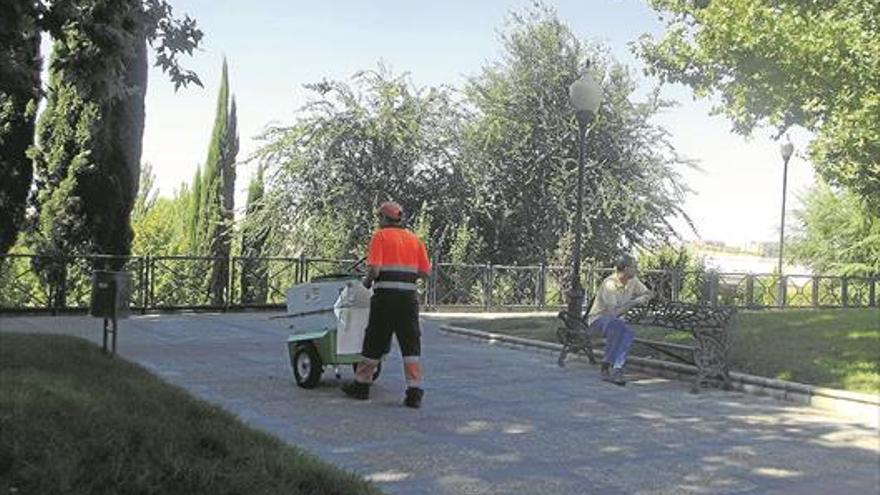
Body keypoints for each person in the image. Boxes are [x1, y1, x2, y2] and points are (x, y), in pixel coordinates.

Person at [342, 201, 432, 408]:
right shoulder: (415, 240)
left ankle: (362, 386)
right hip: (409, 301)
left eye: (379, 218)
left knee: (374, 340)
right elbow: (425, 272)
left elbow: (374, 269)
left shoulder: (379, 236)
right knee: (410, 345)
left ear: (383, 218)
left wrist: (366, 283)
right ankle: (414, 391)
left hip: (385, 299)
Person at [585, 254, 653, 386]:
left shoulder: (633, 280)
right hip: (598, 321)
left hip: (616, 323)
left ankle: (613, 367)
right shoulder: (610, 284)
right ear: (626, 268)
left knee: (625, 331)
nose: (636, 269)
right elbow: (613, 314)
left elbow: (648, 293)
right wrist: (635, 302)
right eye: (634, 267)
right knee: (619, 327)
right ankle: (613, 367)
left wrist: (646, 297)